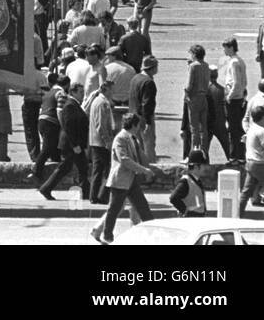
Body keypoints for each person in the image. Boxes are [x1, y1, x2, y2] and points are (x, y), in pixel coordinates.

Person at [93, 114, 155, 244]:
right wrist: (143, 170)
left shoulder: (133, 138)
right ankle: (107, 236)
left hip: (131, 180)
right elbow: (124, 159)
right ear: (133, 125)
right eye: (138, 125)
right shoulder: (120, 138)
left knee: (143, 207)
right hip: (120, 180)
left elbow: (139, 156)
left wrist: (147, 167)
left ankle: (153, 234)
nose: (139, 128)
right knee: (114, 209)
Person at [40, 83, 90, 201]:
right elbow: (68, 127)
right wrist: (75, 145)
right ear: (73, 92)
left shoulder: (75, 105)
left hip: (75, 144)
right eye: (80, 92)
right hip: (71, 145)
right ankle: (46, 188)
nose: (83, 95)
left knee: (78, 168)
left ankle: (86, 193)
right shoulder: (70, 106)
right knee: (73, 168)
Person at [240, 104, 264, 217]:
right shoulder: (262, 131)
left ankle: (237, 214)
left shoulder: (251, 129)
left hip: (251, 163)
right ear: (263, 117)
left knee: (246, 192)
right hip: (262, 165)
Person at [169, 150, 209, 217]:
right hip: (189, 223)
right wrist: (185, 212)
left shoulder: (197, 180)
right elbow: (173, 198)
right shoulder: (185, 181)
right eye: (203, 165)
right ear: (196, 166)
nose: (205, 168)